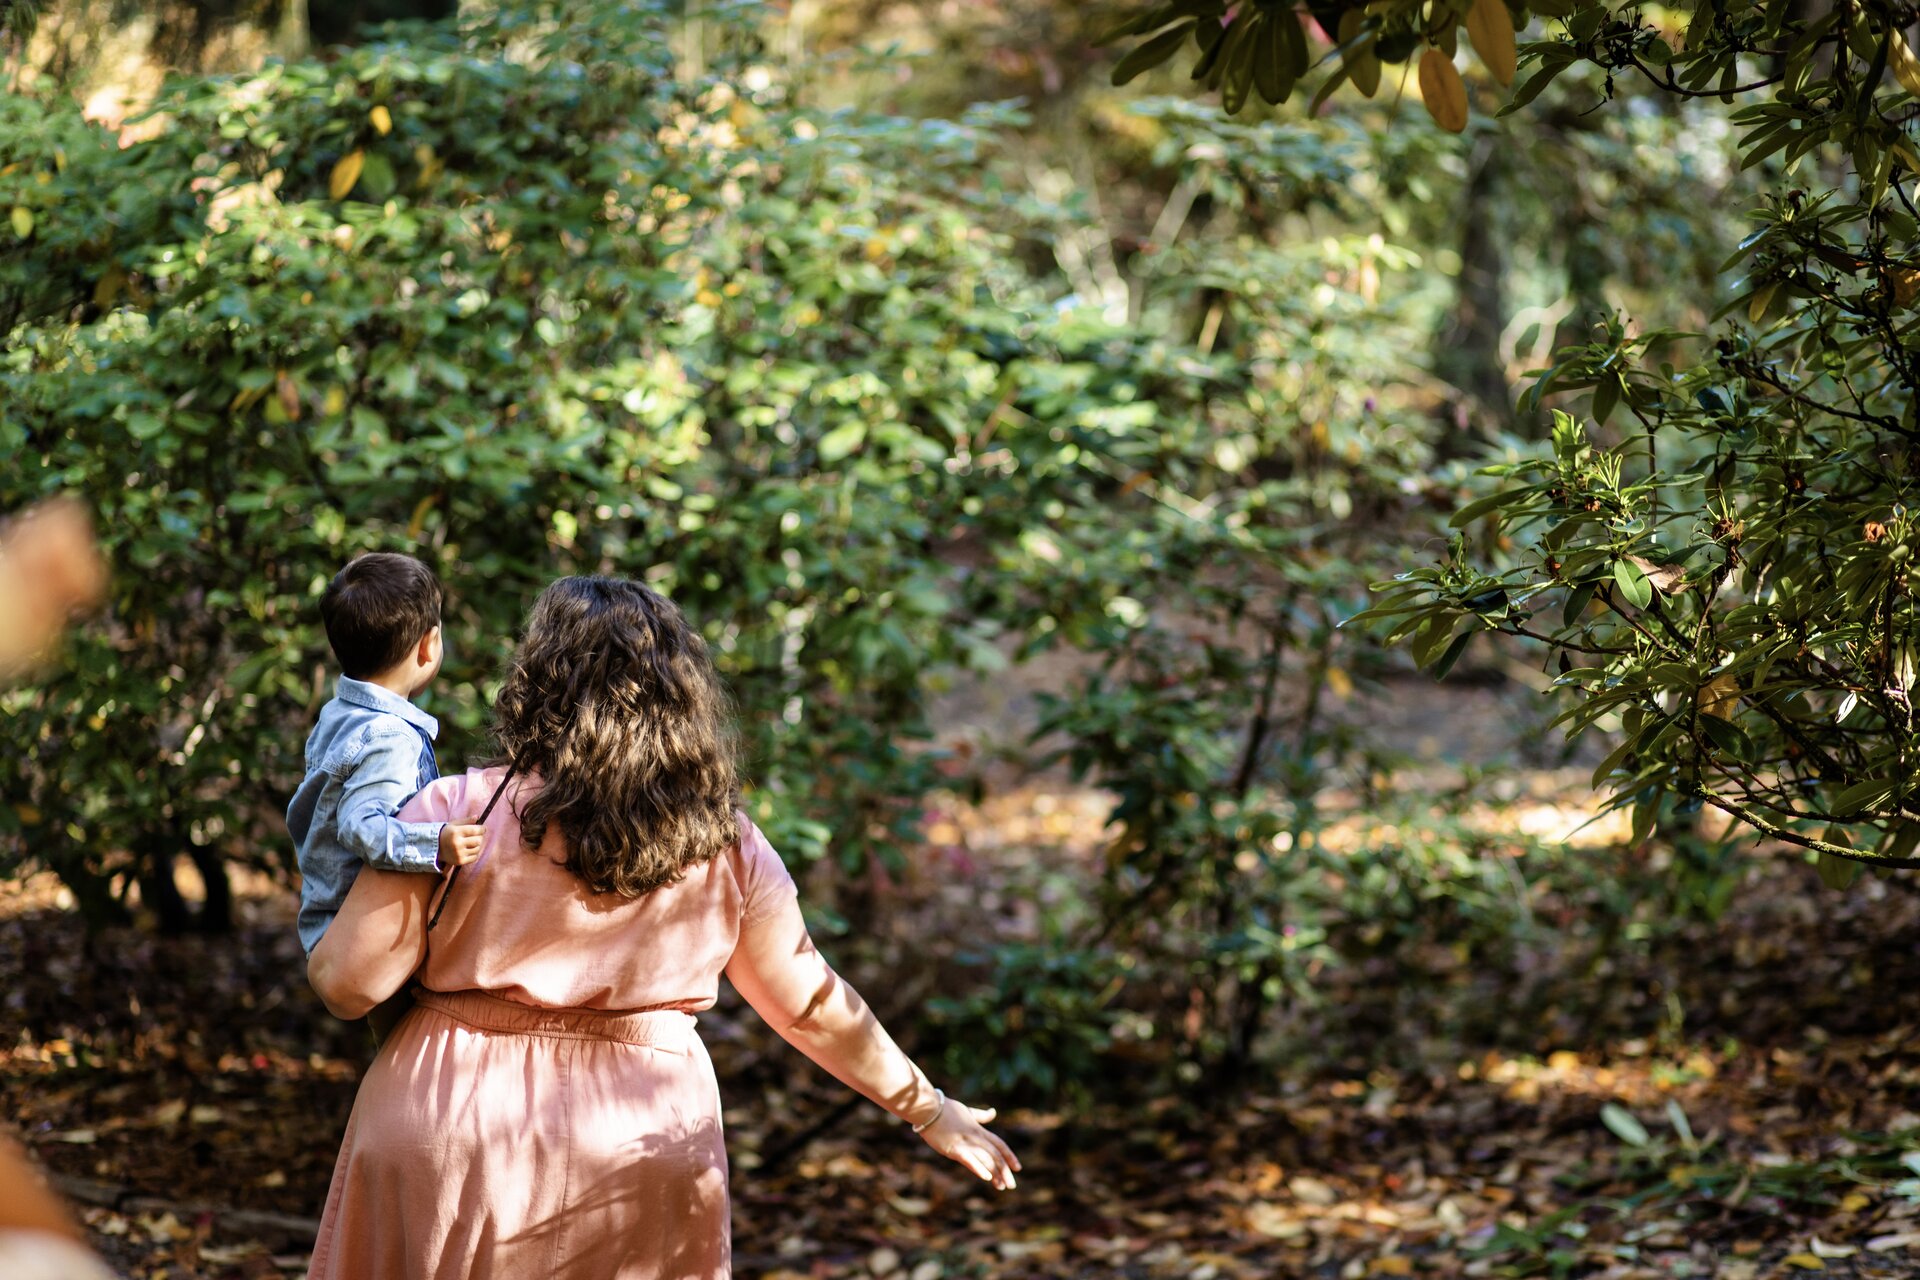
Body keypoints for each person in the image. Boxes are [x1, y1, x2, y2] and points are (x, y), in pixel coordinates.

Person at [304, 575, 1020, 1279]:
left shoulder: (456, 810)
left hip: (450, 1127)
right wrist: (928, 1109)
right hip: (640, 1137)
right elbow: (808, 1003)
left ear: (536, 682)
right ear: (682, 697)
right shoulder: (724, 841)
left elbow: (347, 983)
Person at [284, 552, 487, 1042]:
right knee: (406, 1046)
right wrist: (432, 844)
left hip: (330, 917)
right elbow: (361, 825)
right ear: (429, 646)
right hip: (356, 930)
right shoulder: (389, 736)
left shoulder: (341, 711)